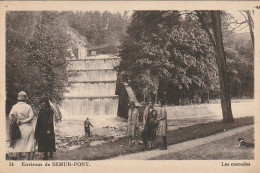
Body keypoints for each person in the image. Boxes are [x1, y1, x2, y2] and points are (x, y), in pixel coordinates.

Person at [8, 91, 35, 160]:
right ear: (25, 98)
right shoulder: (28, 106)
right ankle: (27, 161)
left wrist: (16, 121)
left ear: (18, 98)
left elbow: (10, 116)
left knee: (18, 145)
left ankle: (18, 161)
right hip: (28, 128)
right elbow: (31, 117)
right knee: (28, 145)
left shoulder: (14, 107)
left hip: (18, 128)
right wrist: (23, 121)